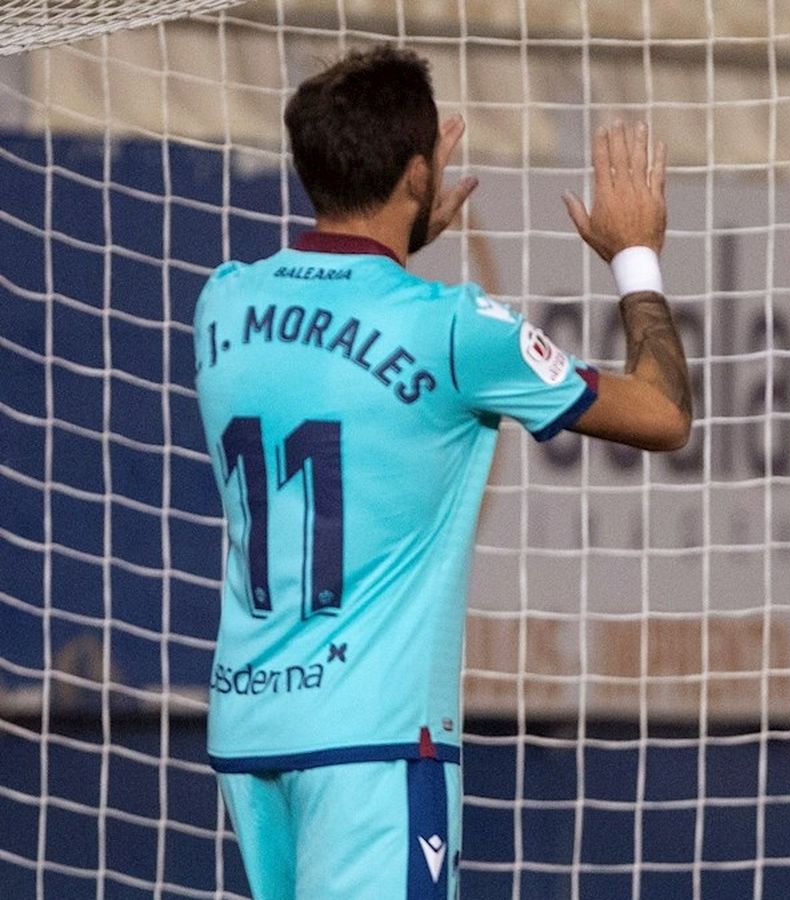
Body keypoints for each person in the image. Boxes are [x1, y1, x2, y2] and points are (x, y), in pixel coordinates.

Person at [193, 46, 691, 900]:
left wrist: (400, 231)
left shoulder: (225, 301)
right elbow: (663, 413)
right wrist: (635, 254)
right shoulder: (457, 328)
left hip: (251, 729)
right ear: (420, 171)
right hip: (374, 744)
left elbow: (342, 308)